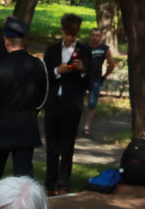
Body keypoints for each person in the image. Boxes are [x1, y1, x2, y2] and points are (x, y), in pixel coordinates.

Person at [0, 16, 47, 193]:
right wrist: (30, 113)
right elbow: (43, 97)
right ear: (25, 41)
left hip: (1, 127)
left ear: (7, 43)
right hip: (26, 125)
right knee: (24, 177)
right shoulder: (37, 65)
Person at [43, 13, 88, 196]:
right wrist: (57, 71)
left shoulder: (84, 51)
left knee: (67, 146)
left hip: (71, 104)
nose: (70, 38)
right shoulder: (52, 50)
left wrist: (83, 70)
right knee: (52, 147)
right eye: (68, 34)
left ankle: (63, 183)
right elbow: (44, 73)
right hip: (54, 103)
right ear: (62, 31)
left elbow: (91, 78)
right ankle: (49, 184)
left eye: (74, 35)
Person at [81, 27, 114, 136]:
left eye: (97, 35)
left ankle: (87, 126)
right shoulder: (84, 47)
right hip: (82, 78)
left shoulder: (104, 48)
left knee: (92, 104)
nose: (94, 37)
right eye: (93, 35)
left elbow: (111, 64)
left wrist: (104, 76)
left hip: (95, 79)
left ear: (100, 37)